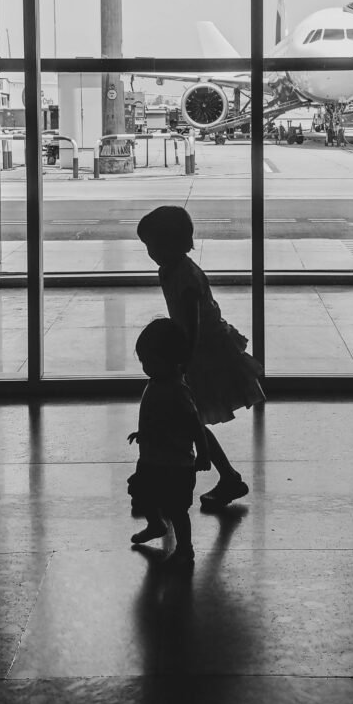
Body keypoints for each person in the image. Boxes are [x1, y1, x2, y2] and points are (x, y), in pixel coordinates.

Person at [137, 206, 265, 511]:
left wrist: (183, 362)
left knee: (188, 417)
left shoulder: (185, 277)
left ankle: (223, 476)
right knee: (188, 417)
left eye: (152, 245)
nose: (150, 252)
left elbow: (193, 327)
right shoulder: (174, 269)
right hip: (196, 351)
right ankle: (221, 476)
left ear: (170, 243)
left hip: (202, 354)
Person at [127, 318, 211, 568]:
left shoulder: (177, 390)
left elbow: (195, 425)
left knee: (177, 509)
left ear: (170, 360)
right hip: (153, 458)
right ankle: (156, 524)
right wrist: (144, 433)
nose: (146, 367)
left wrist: (203, 452)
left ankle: (185, 548)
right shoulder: (157, 383)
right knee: (144, 493)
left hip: (176, 463)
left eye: (149, 361)